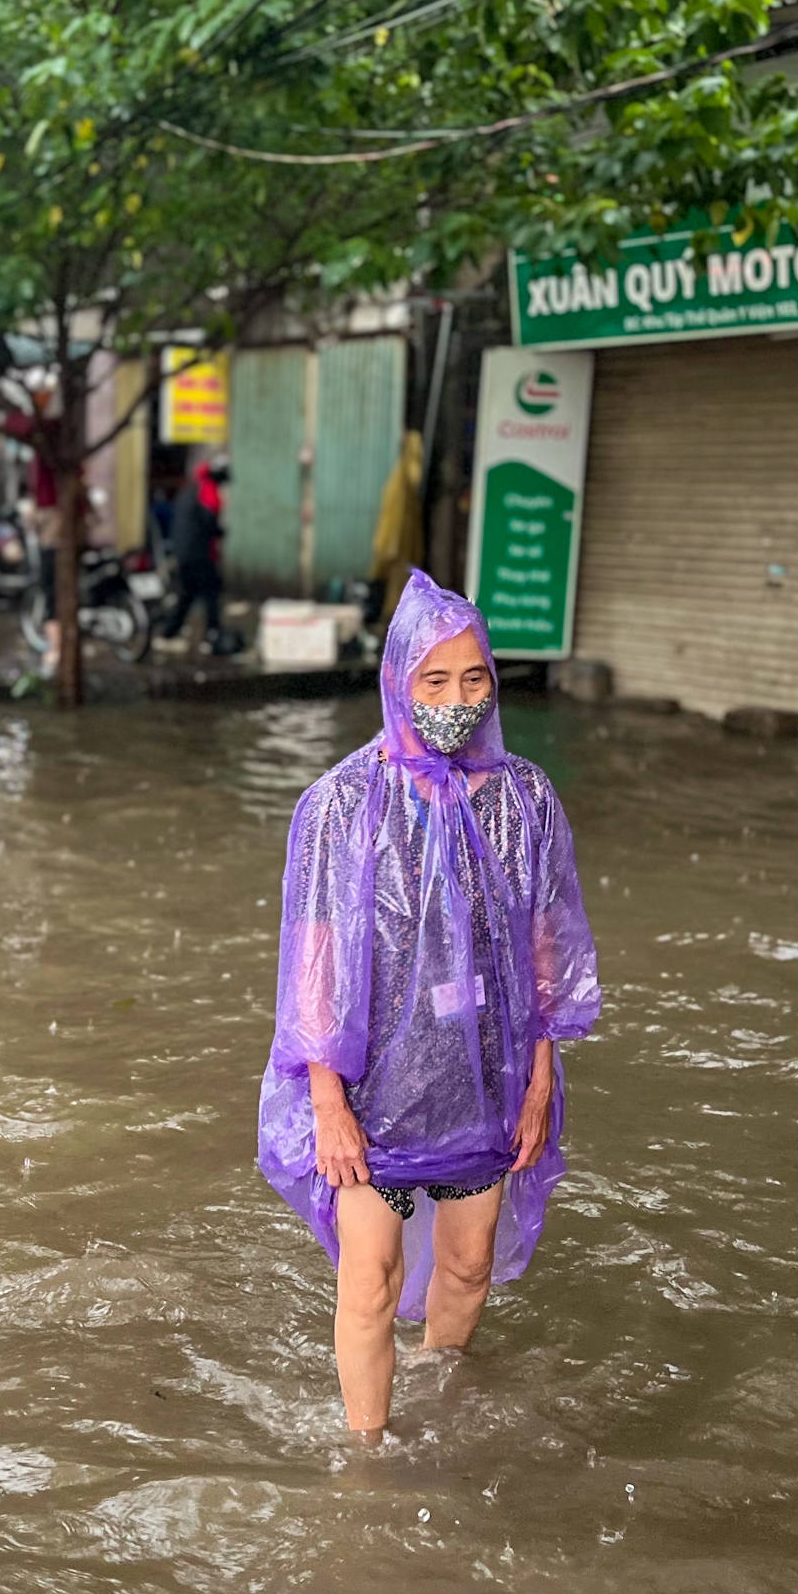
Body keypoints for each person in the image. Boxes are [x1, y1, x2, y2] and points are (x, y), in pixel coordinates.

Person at [257, 569, 600, 1440]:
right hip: (373, 1089)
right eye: (434, 680)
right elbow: (315, 969)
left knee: (470, 1263)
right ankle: (366, 1454)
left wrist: (539, 1080)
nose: (456, 700)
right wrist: (328, 1103)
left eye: (474, 678)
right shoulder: (342, 805)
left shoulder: (526, 798)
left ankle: (438, 1390)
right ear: (397, 681)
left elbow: (547, 950)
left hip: (487, 1078)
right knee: (368, 1280)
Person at [161, 460, 226, 652]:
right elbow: (208, 520)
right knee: (211, 592)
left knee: (188, 593)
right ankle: (213, 633)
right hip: (199, 553)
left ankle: (170, 631)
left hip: (185, 552)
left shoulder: (189, 491)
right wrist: (219, 532)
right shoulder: (208, 489)